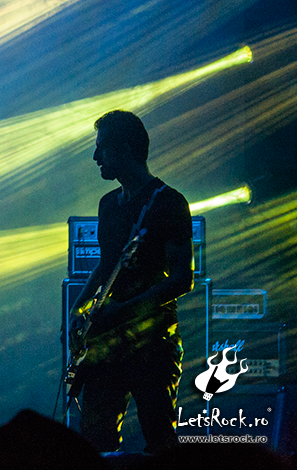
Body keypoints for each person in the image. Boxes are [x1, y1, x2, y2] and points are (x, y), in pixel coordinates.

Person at [68, 110, 194, 454]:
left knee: (159, 439)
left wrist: (122, 311)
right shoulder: (108, 204)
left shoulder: (169, 202)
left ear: (124, 148)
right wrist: (78, 310)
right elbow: (106, 265)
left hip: (153, 341)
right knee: (95, 440)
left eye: (101, 148)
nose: (95, 157)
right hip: (108, 341)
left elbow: (183, 279)